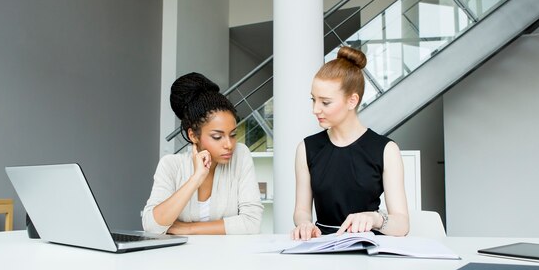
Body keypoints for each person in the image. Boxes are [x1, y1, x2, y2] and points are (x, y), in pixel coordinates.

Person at [292, 46, 409, 240]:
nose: (315, 109)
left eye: (325, 102)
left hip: (369, 246)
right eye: (313, 100)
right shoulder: (306, 149)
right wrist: (304, 223)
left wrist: (374, 218)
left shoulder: (386, 150)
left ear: (352, 101)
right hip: (321, 246)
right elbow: (301, 210)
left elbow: (402, 224)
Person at [142, 72, 263, 235]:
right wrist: (196, 178)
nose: (229, 144)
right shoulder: (171, 165)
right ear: (193, 135)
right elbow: (152, 226)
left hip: (230, 257)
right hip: (178, 259)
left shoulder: (240, 155)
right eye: (217, 137)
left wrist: (188, 228)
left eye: (233, 134)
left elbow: (251, 223)